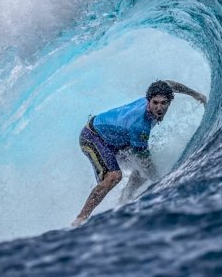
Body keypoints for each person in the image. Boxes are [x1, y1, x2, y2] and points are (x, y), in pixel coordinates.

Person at [72, 80, 207, 226]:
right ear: (148, 100)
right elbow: (145, 162)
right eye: (155, 103)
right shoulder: (140, 125)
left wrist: (195, 94)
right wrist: (161, 182)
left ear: (169, 101)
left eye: (163, 103)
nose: (159, 108)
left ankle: (124, 200)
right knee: (113, 176)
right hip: (92, 137)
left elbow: (169, 84)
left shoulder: (160, 94)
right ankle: (80, 219)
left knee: (141, 170)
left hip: (118, 140)